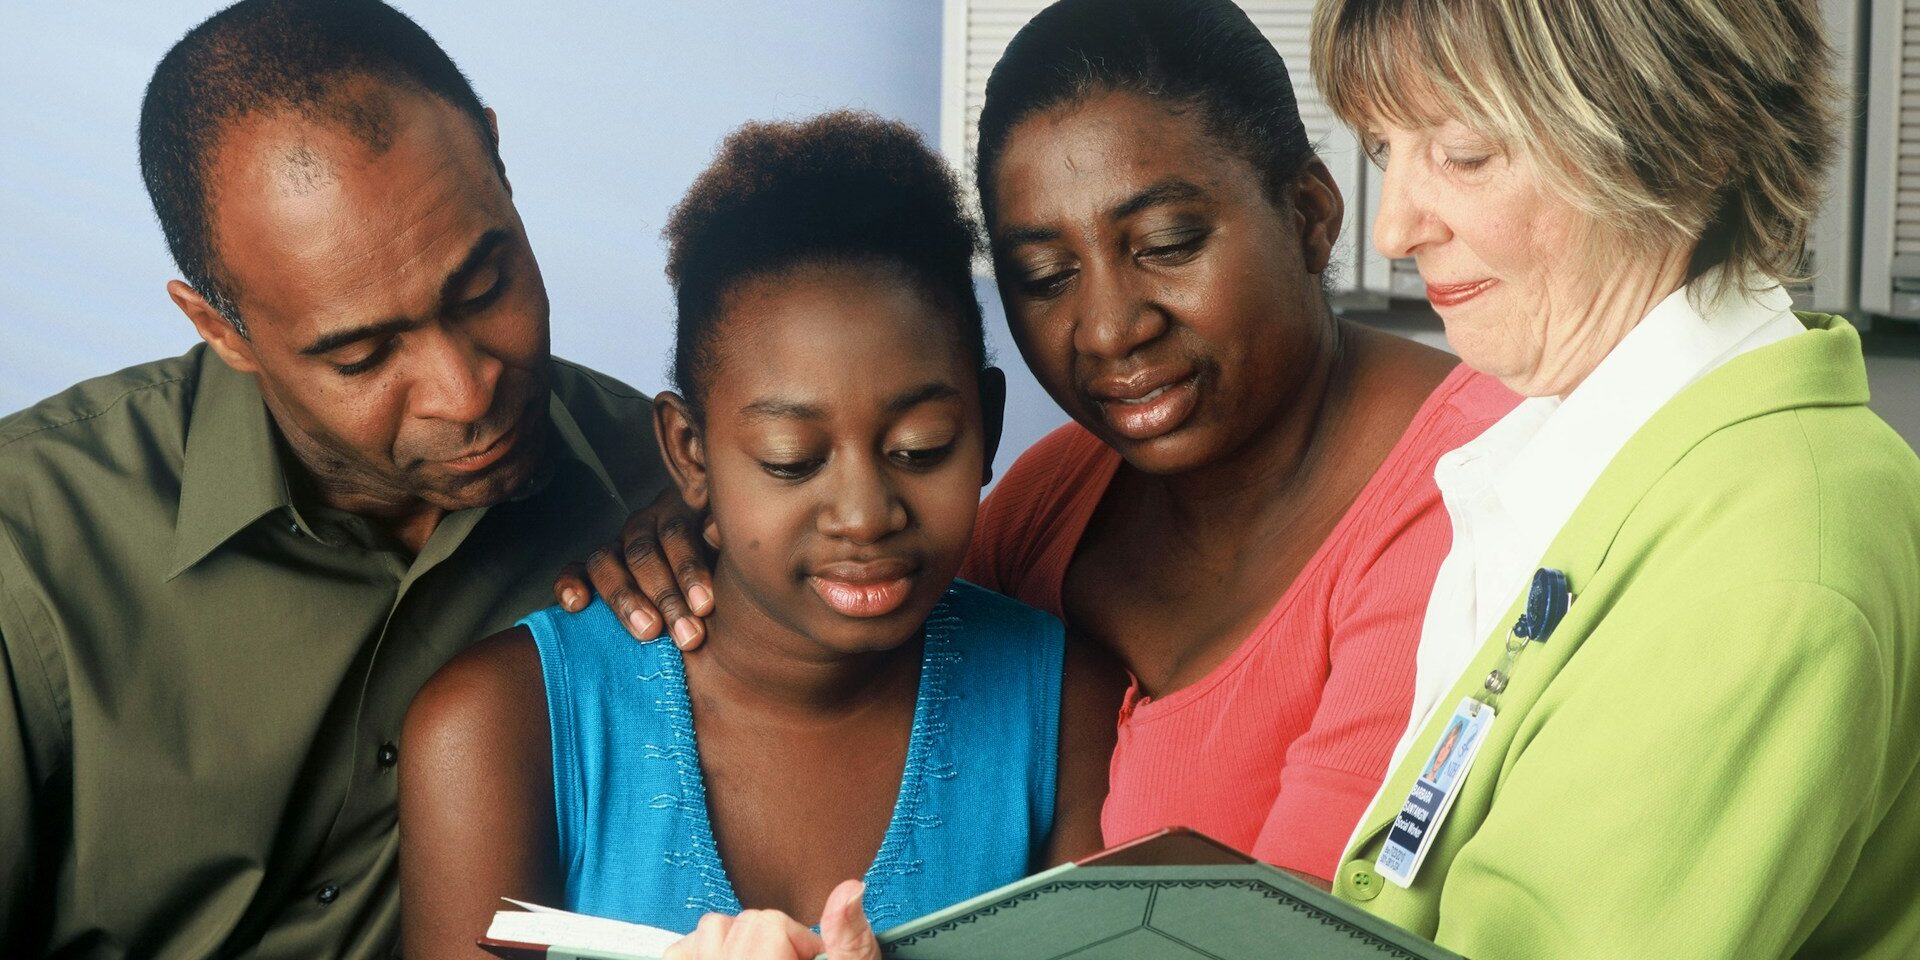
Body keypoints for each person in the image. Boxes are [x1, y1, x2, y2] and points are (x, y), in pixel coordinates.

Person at [561, 0, 1519, 887]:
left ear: (1310, 216)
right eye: (1045, 273)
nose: (1108, 330)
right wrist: (709, 535)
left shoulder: (1469, 498)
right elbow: (869, 615)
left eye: (1169, 243)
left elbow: (1307, 931)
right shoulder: (1053, 498)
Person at [0, 2, 668, 956]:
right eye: (360, 356)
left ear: (497, 163)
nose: (465, 389)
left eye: (485, 288)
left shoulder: (670, 491)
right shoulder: (27, 542)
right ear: (220, 329)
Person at [397, 112, 1119, 959]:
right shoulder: (499, 726)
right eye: (790, 460)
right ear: (688, 454)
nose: (864, 513)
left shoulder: (1068, 711)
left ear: (990, 429)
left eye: (921, 448)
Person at [1305, 0, 1920, 957]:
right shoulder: (1609, 454)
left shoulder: (1763, 572)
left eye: (1463, 153)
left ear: (1685, 136)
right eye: (1389, 151)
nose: (1392, 229)